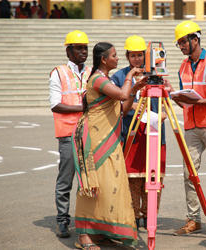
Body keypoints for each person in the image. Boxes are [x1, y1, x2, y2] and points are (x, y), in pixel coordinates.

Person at [72, 42, 144, 250]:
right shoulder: (97, 79)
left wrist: (134, 90)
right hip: (95, 139)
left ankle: (100, 231)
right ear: (103, 59)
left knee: (107, 185)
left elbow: (122, 109)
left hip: (109, 138)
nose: (118, 58)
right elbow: (121, 94)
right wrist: (130, 77)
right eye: (114, 55)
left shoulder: (106, 80)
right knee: (91, 185)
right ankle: (84, 235)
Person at [171, 21, 206, 239]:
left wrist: (193, 102)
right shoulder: (182, 67)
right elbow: (185, 102)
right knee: (189, 174)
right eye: (179, 44)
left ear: (195, 39)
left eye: (184, 41)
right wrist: (177, 97)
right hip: (191, 127)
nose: (182, 46)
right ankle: (193, 219)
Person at [111, 35, 167, 230]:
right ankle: (134, 216)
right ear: (127, 56)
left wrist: (164, 111)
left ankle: (150, 215)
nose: (136, 59)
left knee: (154, 178)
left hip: (153, 133)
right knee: (132, 179)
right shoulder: (120, 77)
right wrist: (133, 102)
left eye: (140, 55)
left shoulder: (156, 75)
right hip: (130, 135)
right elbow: (117, 105)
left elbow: (164, 102)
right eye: (132, 55)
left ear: (146, 55)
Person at [48, 30, 91, 239]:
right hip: (68, 134)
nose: (83, 52)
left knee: (89, 180)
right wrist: (82, 109)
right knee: (66, 180)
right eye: (78, 48)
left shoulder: (92, 72)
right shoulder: (58, 72)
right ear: (68, 50)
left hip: (90, 133)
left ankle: (87, 221)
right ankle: (62, 221)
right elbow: (55, 105)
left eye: (85, 48)